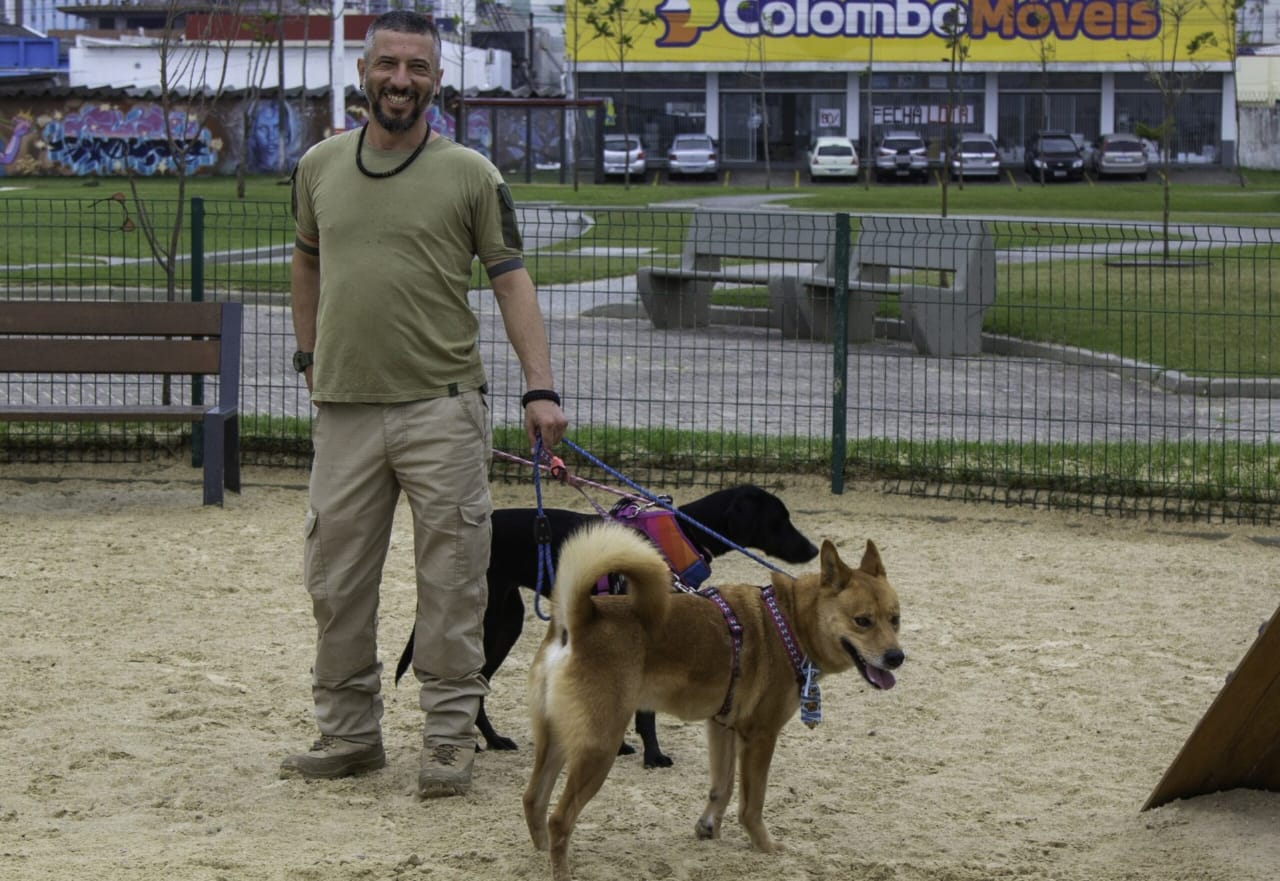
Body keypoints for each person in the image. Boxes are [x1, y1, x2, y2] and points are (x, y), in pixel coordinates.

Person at [280, 10, 567, 799]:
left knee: (454, 581)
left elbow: (511, 280)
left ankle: (447, 742)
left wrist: (539, 387)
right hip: (343, 410)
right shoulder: (319, 167)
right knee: (334, 580)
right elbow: (305, 265)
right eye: (387, 65)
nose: (399, 80)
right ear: (365, 73)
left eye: (416, 68)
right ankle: (347, 734)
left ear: (437, 80)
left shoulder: (472, 174)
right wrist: (309, 355)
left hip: (441, 409)